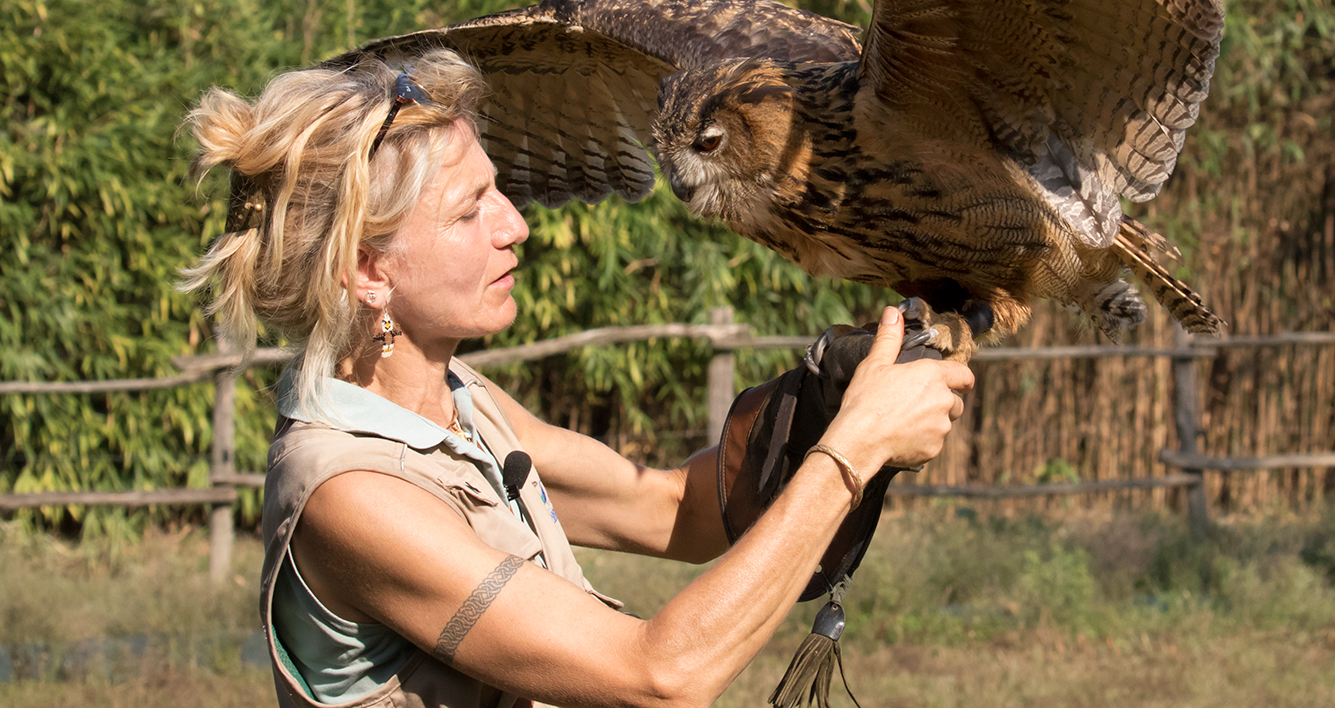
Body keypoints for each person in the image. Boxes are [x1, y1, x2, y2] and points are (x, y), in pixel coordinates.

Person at [179, 49, 974, 708]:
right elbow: (659, 672)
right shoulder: (348, 496)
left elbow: (674, 508)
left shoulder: (464, 403)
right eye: (469, 210)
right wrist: (851, 449)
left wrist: (822, 402)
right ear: (367, 270)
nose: (515, 223)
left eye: (499, 190)